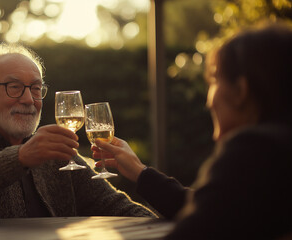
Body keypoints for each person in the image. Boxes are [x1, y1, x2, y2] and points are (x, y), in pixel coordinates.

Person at [92, 22, 292, 239]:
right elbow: (217, 210)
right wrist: (141, 173)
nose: (209, 98)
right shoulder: (279, 153)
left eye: (214, 79)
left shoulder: (253, 150)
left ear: (241, 91)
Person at [0, 43, 156, 219]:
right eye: (14, 87)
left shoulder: (57, 154)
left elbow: (117, 208)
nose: (29, 99)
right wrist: (21, 157)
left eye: (36, 89)